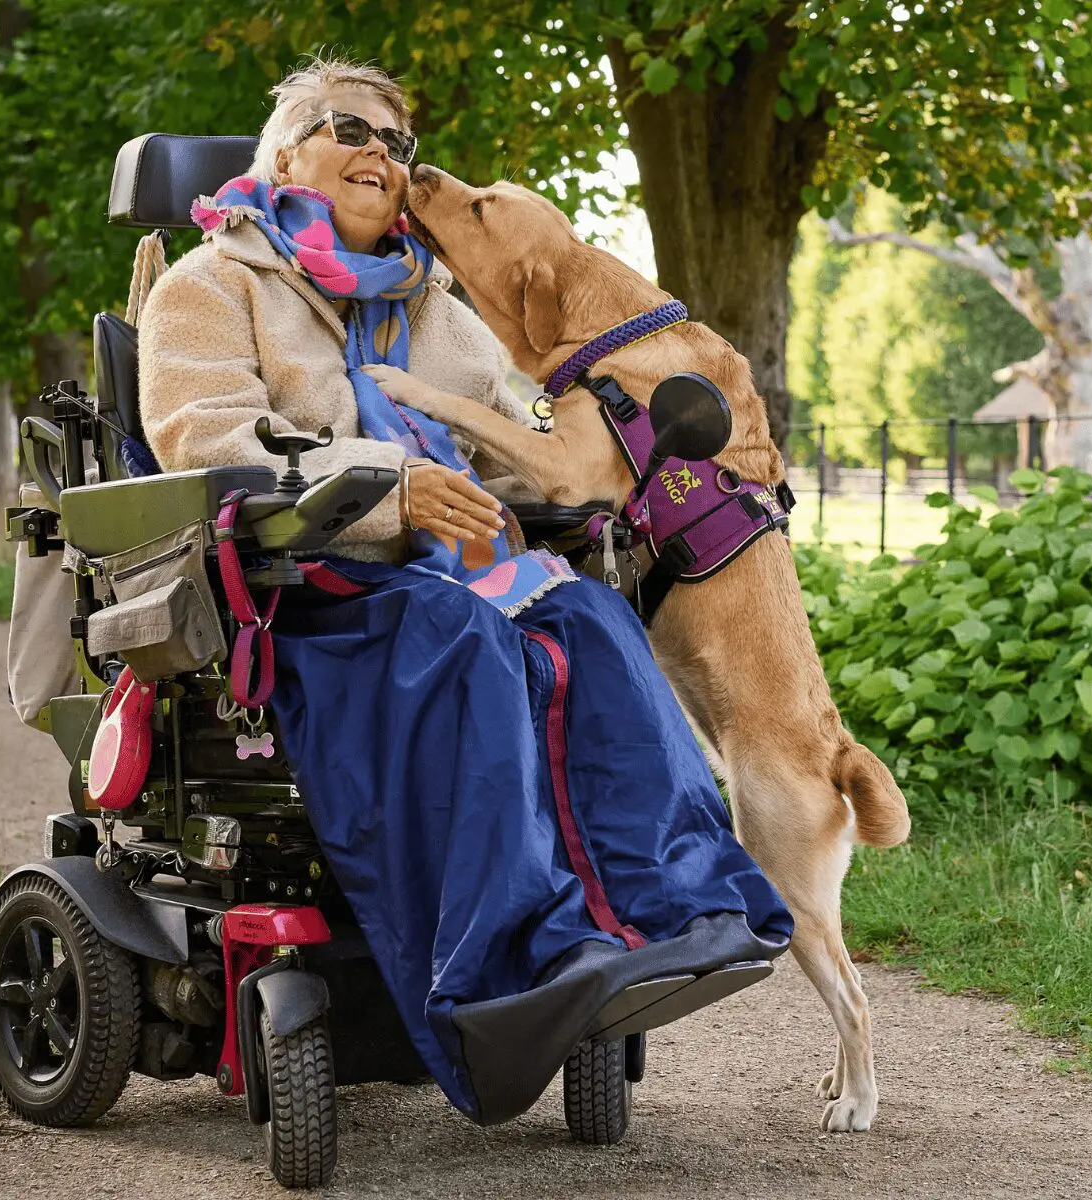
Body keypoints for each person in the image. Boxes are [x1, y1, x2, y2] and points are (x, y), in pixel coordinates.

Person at [135, 58, 790, 1127]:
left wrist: (612, 476)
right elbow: (207, 446)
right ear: (286, 153)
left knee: (586, 619)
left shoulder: (435, 305)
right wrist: (395, 489)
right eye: (348, 129)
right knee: (466, 639)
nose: (379, 156)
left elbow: (513, 446)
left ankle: (679, 911)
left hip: (446, 578)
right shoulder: (209, 287)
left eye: (395, 143)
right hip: (302, 591)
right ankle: (511, 961)